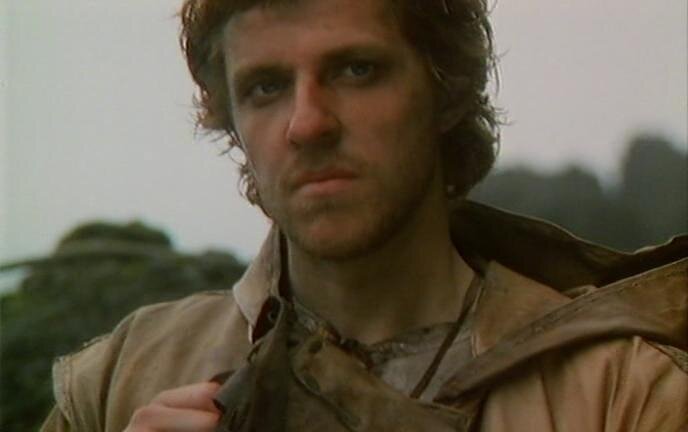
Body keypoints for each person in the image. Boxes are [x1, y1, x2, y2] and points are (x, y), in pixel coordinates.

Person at [40, 0, 687, 430]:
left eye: (356, 69)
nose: (307, 124)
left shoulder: (623, 393)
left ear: (446, 93)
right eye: (266, 86)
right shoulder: (119, 379)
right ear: (231, 121)